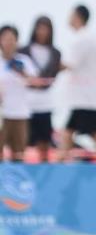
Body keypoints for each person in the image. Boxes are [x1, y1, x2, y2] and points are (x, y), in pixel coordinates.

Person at [59, 4, 96, 160]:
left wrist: (47, 67)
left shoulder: (82, 38)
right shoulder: (89, 38)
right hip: (85, 98)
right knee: (68, 133)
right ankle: (60, 166)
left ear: (78, 16)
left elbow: (69, 64)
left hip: (83, 99)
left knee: (94, 135)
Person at [21, 16, 62, 161]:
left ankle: (42, 175)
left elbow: (52, 75)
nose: (42, 32)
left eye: (46, 28)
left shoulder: (56, 53)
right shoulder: (23, 51)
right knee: (24, 142)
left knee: (44, 142)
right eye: (40, 28)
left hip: (46, 103)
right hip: (27, 103)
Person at [0, 25, 42, 161]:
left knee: (18, 154)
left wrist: (22, 72)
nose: (9, 42)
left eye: (12, 39)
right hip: (2, 114)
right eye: (5, 39)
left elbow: (37, 83)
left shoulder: (24, 61)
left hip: (20, 113)